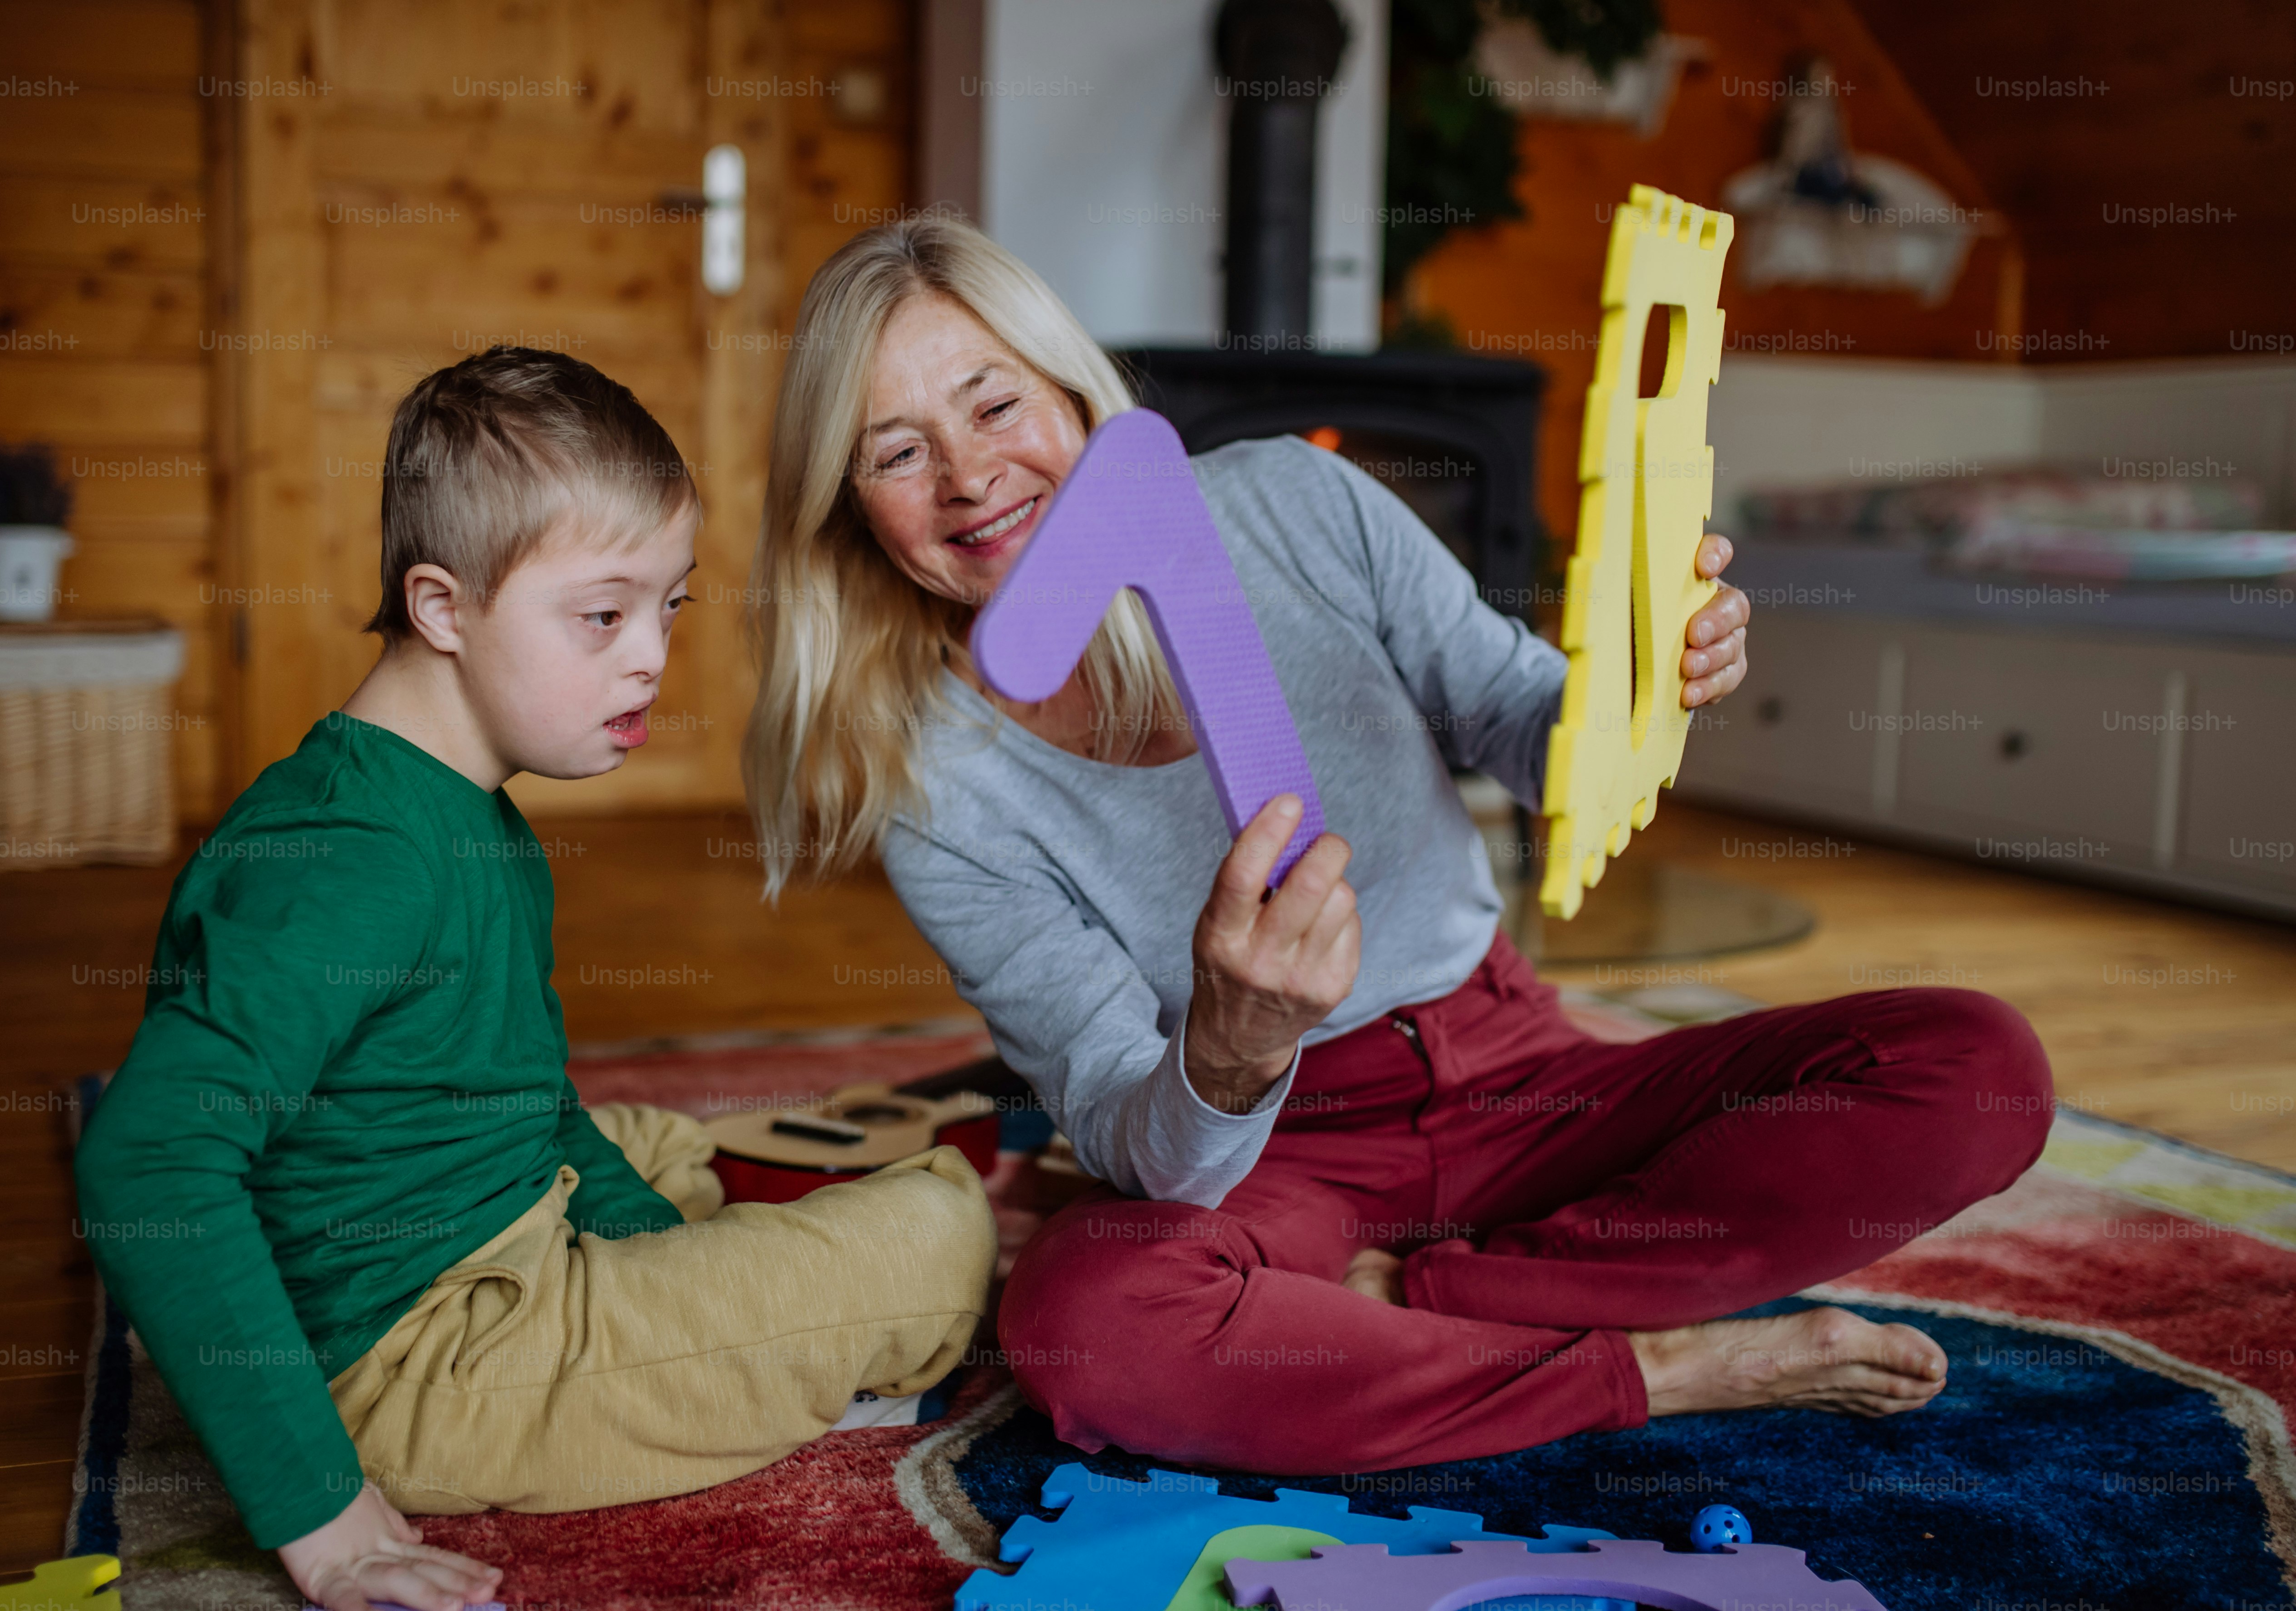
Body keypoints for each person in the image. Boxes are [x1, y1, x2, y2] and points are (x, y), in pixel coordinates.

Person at [742, 220, 2053, 1475]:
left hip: (1519, 1068)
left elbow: (1525, 727)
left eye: (992, 404)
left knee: (1978, 1066)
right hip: (1281, 1157)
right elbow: (1139, 1144)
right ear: (850, 508)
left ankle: (1436, 1302)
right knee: (1085, 1322)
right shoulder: (931, 787)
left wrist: (1642, 682)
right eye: (895, 454)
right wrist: (1234, 1043)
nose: (970, 477)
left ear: (1074, 398)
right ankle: (1660, 1365)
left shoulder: (1295, 505)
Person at [76, 349, 996, 1611]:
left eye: (670, 606)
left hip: (484, 1225)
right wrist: (324, 1514)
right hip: (423, 1365)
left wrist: (673, 1266)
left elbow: (522, 1098)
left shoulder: (460, 812)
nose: (651, 659)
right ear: (445, 609)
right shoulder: (354, 864)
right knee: (940, 1231)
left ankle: (718, 1291)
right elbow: (147, 1161)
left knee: (661, 1146)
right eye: (603, 615)